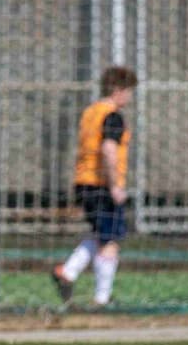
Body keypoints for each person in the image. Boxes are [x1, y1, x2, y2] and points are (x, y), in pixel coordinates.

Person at [54, 66, 136, 309]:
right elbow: (109, 150)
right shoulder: (112, 116)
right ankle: (102, 298)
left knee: (100, 235)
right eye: (129, 91)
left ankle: (67, 272)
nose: (130, 97)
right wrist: (115, 186)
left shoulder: (90, 113)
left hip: (83, 182)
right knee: (110, 241)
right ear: (117, 90)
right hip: (101, 185)